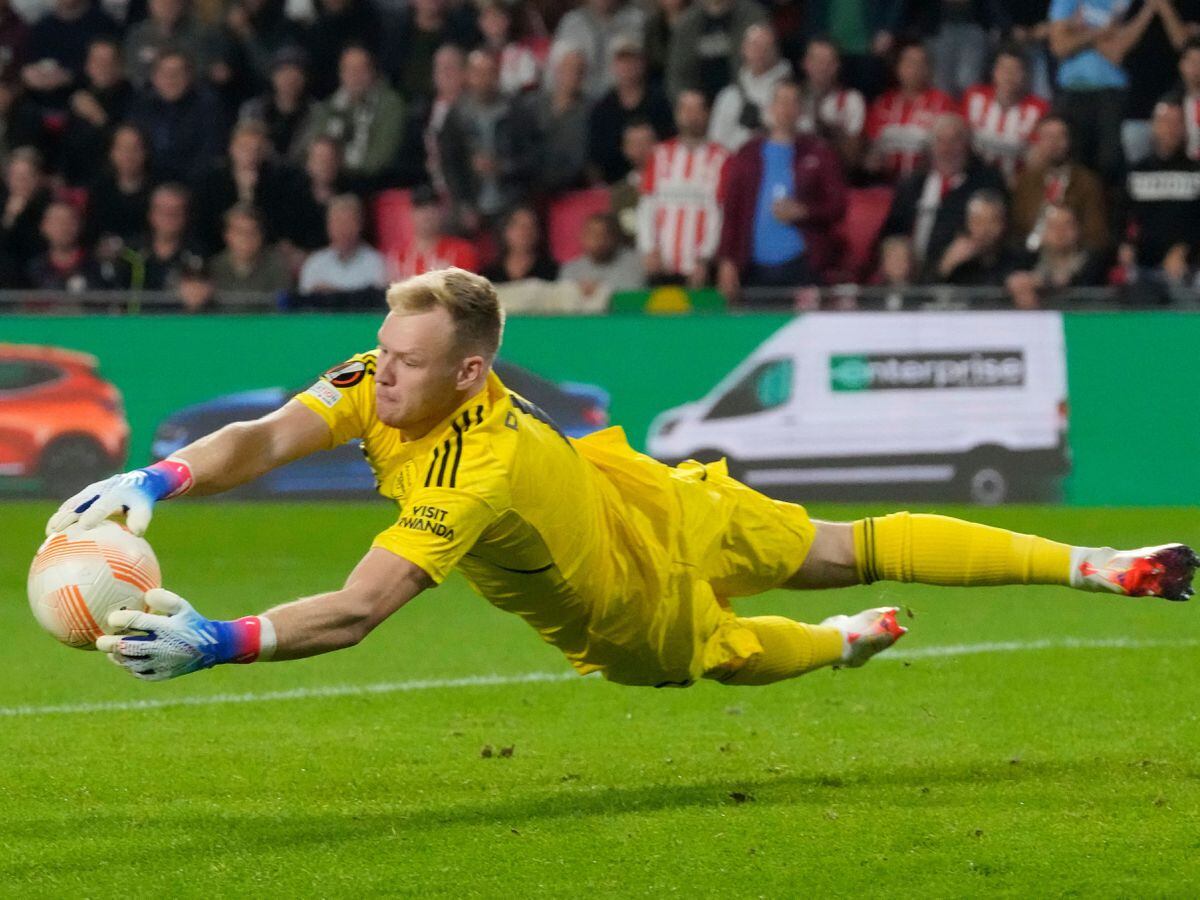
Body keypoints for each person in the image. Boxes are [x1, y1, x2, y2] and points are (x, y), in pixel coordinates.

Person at [51, 268, 1197, 688]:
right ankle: (893, 621)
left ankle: (1089, 572)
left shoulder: (475, 465)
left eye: (403, 364)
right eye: (380, 355)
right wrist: (158, 481)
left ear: (470, 371)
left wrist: (223, 641)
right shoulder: (386, 372)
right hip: (649, 492)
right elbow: (258, 438)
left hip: (622, 595)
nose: (376, 379)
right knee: (840, 545)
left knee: (734, 647)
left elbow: (356, 612)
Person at [716, 80, 847, 302]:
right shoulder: (747, 154)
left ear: (801, 110)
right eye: (781, 101)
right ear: (770, 108)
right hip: (753, 268)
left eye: (792, 102)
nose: (786, 109)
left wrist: (804, 211)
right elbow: (733, 211)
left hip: (802, 266)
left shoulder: (819, 152)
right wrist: (727, 261)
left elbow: (838, 206)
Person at [879, 113, 1007, 281]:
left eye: (955, 141)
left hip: (964, 277)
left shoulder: (987, 182)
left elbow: (995, 234)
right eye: (940, 141)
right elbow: (893, 230)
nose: (947, 149)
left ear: (968, 145)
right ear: (930, 146)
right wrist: (894, 250)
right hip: (909, 277)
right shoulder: (912, 185)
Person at [1047, 0, 1158, 183]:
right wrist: (1099, 32)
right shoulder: (1066, 2)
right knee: (1073, 159)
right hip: (1071, 90)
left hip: (1111, 93)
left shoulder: (1125, 3)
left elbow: (1116, 52)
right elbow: (1059, 46)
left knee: (1109, 162)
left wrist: (1080, 30)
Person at [637, 88, 726, 286]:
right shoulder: (659, 155)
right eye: (685, 109)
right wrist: (649, 249)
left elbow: (718, 212)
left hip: (699, 267)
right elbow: (647, 206)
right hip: (661, 265)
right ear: (677, 114)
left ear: (707, 114)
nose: (691, 116)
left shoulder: (720, 157)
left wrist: (705, 259)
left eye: (696, 109)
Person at [439, 49, 529, 232]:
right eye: (477, 73)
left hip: (511, 200)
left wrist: (503, 167)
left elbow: (533, 158)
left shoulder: (516, 113)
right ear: (468, 76)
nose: (483, 79)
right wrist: (464, 203)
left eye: (489, 72)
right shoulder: (456, 116)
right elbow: (449, 164)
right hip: (470, 198)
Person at [304, 44, 405, 186]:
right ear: (341, 73)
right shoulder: (328, 106)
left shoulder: (389, 105)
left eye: (361, 70)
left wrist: (344, 172)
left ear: (373, 72)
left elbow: (381, 158)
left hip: (368, 183)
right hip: (324, 183)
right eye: (349, 70)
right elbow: (310, 146)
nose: (355, 76)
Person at [1009, 115, 1108, 254]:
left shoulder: (1087, 182)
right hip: (1028, 255)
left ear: (1069, 141)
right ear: (1038, 141)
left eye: (1060, 137)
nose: (1053, 143)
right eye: (1048, 137)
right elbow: (1016, 226)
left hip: (1072, 257)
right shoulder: (1026, 180)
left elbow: (1096, 234)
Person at [1123, 98, 1200, 274]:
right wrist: (1124, 244)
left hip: (1190, 262)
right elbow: (1120, 215)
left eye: (1177, 122)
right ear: (1153, 126)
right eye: (1165, 122)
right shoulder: (1136, 172)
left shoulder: (1196, 172)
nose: (1170, 129)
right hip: (1143, 262)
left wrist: (1185, 249)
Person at [127, 49, 226, 182]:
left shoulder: (208, 107)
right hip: (147, 184)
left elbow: (210, 153)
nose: (170, 79)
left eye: (178, 73)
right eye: (164, 73)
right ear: (154, 78)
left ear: (190, 77)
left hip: (192, 183)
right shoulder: (141, 107)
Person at [864, 42, 957, 182]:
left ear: (929, 69)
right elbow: (870, 147)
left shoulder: (943, 103)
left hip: (926, 182)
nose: (914, 69)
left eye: (921, 64)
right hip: (883, 181)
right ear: (898, 67)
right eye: (909, 63)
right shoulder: (883, 103)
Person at [587, 36, 674, 184]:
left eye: (633, 60)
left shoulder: (660, 103)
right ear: (613, 65)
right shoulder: (602, 109)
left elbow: (670, 146)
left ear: (643, 63)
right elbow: (595, 159)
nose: (628, 66)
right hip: (614, 186)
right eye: (622, 61)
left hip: (660, 182)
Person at [961, 44, 1049, 184]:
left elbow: (1038, 156)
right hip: (971, 179)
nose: (1009, 76)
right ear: (994, 72)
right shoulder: (974, 97)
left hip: (1015, 182)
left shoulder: (1039, 109)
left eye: (1016, 70)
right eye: (1004, 69)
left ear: (1025, 75)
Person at [59, 37, 132, 186]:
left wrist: (98, 117)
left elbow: (126, 143)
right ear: (88, 66)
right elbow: (67, 141)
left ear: (120, 66)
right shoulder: (80, 95)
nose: (102, 67)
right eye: (97, 61)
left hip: (110, 179)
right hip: (74, 177)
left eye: (109, 62)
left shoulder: (132, 97)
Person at [707, 23, 790, 153]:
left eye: (765, 47)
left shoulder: (789, 91)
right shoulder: (729, 96)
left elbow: (803, 131)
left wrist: (766, 122)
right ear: (743, 49)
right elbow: (715, 141)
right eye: (754, 46)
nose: (759, 52)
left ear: (775, 50)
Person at [1006, 203, 1105, 308]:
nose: (1060, 232)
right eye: (1053, 226)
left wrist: (1043, 282)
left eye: (1067, 225)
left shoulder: (1094, 263)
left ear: (1078, 229)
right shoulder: (1027, 260)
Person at [663, 0, 765, 102]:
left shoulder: (752, 15)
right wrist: (685, 98)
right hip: (699, 102)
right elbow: (676, 73)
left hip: (743, 97)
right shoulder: (688, 22)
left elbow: (765, 64)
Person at [795, 36, 866, 171]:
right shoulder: (791, 98)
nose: (822, 67)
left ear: (837, 66)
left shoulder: (851, 100)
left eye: (828, 62)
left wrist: (828, 129)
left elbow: (853, 157)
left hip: (833, 172)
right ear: (805, 63)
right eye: (816, 61)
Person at [121, 181, 206, 291]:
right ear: (151, 214)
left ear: (186, 216)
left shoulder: (195, 254)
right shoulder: (129, 253)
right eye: (163, 211)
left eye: (176, 212)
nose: (169, 218)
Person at [551, 0, 644, 98]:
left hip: (621, 100)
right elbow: (554, 74)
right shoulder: (572, 22)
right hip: (579, 102)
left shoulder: (636, 20)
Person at [297, 193, 387, 294]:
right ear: (328, 226)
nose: (343, 229)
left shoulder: (377, 264)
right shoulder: (314, 264)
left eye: (348, 222)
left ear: (360, 225)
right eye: (338, 222)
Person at [237, 45, 314, 164]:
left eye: (296, 73)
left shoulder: (316, 112)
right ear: (273, 76)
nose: (290, 79)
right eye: (283, 72)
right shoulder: (253, 110)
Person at [935, 188, 1026, 287]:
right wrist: (945, 267)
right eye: (978, 222)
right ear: (967, 223)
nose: (984, 230)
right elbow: (924, 292)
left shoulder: (1018, 261)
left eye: (992, 222)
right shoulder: (951, 256)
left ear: (1003, 224)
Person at [87, 123, 154, 250]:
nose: (128, 155)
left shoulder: (157, 189)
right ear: (111, 153)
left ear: (146, 152)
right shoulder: (100, 188)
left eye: (135, 148)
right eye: (122, 148)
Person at [389, 185, 479, 278]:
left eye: (433, 207)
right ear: (410, 213)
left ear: (442, 213)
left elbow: (469, 289)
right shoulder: (399, 257)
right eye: (421, 208)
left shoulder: (462, 251)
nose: (427, 214)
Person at [27, 198, 116, 290]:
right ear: (44, 227)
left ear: (80, 225)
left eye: (70, 221)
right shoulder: (34, 270)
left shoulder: (96, 267)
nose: (63, 228)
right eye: (57, 222)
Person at [207, 201, 291, 294]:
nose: (246, 238)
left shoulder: (277, 267)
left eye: (253, 232)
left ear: (261, 236)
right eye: (239, 231)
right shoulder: (213, 268)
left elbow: (284, 304)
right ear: (227, 235)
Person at [560, 211, 644, 297]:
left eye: (604, 234)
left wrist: (601, 291)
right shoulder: (570, 269)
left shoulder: (637, 262)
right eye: (591, 233)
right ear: (582, 236)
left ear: (615, 237)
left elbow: (635, 296)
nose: (597, 239)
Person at [482, 204, 558, 283]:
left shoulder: (551, 272)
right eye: (519, 226)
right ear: (505, 231)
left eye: (531, 226)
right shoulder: (489, 276)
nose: (525, 232)